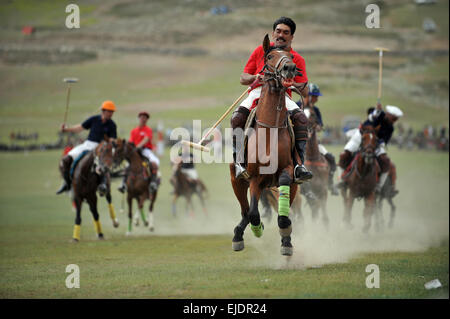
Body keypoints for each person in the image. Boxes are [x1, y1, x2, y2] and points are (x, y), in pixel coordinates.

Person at [230, 16, 312, 183]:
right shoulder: (260, 51)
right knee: (237, 118)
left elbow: (304, 91)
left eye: (286, 32)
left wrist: (292, 82)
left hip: (283, 95)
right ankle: (239, 162)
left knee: (302, 119)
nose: (281, 35)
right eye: (278, 31)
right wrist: (255, 77)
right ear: (274, 33)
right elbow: (242, 77)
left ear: (291, 37)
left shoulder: (297, 58)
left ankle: (298, 165)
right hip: (258, 92)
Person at [339, 103, 403, 195]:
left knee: (385, 160)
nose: (394, 121)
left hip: (374, 144)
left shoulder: (391, 128)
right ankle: (341, 180)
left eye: (396, 120)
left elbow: (385, 140)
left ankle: (379, 186)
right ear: (388, 114)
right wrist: (376, 111)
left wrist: (377, 142)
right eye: (393, 119)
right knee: (344, 155)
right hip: (360, 138)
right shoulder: (379, 114)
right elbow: (370, 119)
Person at [56, 100, 117, 194]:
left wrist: (111, 141)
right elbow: (80, 128)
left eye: (112, 112)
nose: (111, 114)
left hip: (101, 148)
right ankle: (67, 183)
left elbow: (113, 139)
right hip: (87, 144)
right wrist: (67, 129)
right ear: (103, 111)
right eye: (109, 111)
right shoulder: (94, 119)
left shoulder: (112, 125)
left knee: (102, 165)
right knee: (66, 159)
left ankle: (103, 184)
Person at [300, 83, 339, 195]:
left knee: (331, 158)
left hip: (314, 142)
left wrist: (318, 126)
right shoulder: (298, 105)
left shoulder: (315, 110)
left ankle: (330, 183)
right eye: (315, 96)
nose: (317, 98)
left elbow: (321, 125)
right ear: (310, 95)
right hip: (298, 141)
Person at [118, 111, 161, 194]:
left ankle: (153, 182)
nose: (143, 119)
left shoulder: (148, 130)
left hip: (145, 150)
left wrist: (139, 146)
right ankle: (123, 184)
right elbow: (131, 141)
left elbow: (146, 139)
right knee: (127, 165)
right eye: (141, 117)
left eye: (145, 117)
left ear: (147, 120)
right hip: (135, 151)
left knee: (155, 161)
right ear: (139, 118)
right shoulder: (134, 131)